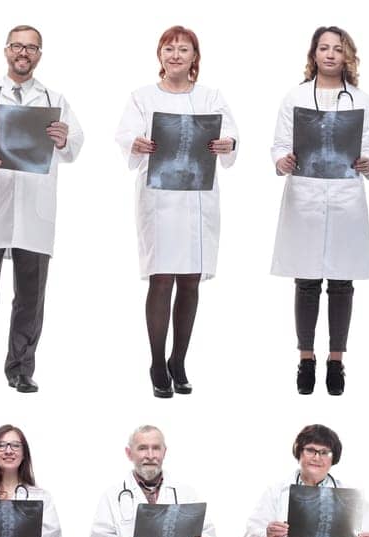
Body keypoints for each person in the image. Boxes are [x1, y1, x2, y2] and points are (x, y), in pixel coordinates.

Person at [0, 26, 83, 396]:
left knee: (30, 295)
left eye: (32, 47)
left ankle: (21, 369)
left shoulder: (54, 99)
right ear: (6, 50)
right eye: (17, 46)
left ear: (40, 54)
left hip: (35, 211)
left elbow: (75, 145)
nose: (23, 53)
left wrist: (64, 139)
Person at [116, 26, 238, 399]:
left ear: (194, 58)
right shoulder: (142, 97)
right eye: (168, 49)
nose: (175, 55)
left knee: (189, 280)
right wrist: (137, 142)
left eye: (183, 49)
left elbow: (231, 137)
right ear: (160, 55)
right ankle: (156, 362)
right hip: (159, 199)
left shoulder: (211, 96)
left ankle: (179, 360)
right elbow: (126, 138)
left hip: (197, 198)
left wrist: (226, 143)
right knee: (161, 278)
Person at [270, 27, 369, 396]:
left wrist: (368, 162)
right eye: (324, 48)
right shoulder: (295, 96)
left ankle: (336, 361)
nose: (330, 54)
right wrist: (282, 161)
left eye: (338, 49)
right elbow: (280, 145)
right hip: (305, 197)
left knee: (342, 282)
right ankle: (305, 359)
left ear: (348, 55)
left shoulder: (361, 100)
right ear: (313, 54)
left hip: (346, 197)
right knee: (306, 281)